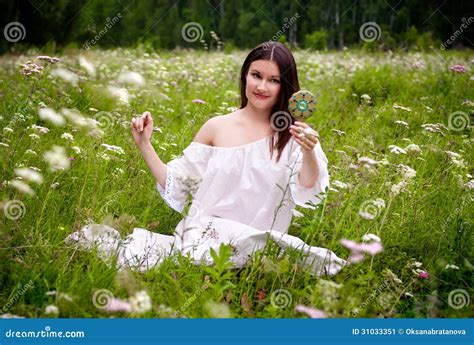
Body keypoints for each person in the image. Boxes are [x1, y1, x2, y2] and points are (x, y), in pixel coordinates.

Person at [66, 42, 347, 276]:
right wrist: (144, 145)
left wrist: (309, 150)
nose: (262, 86)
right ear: (244, 77)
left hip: (260, 240)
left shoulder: (294, 134)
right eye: (256, 75)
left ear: (285, 86)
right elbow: (177, 183)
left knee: (313, 260)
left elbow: (309, 186)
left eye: (273, 80)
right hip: (208, 232)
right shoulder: (217, 127)